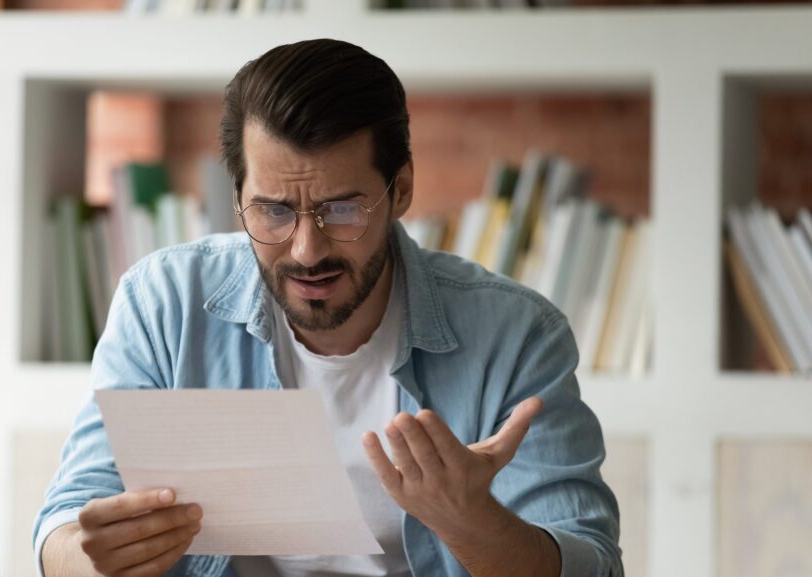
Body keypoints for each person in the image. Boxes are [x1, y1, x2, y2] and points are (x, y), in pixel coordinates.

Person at [33, 38, 623, 577]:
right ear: (236, 197)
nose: (306, 250)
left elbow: (594, 565)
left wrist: (471, 522)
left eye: (342, 209)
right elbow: (64, 524)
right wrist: (91, 558)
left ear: (403, 190)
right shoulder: (163, 305)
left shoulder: (517, 335)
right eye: (273, 210)